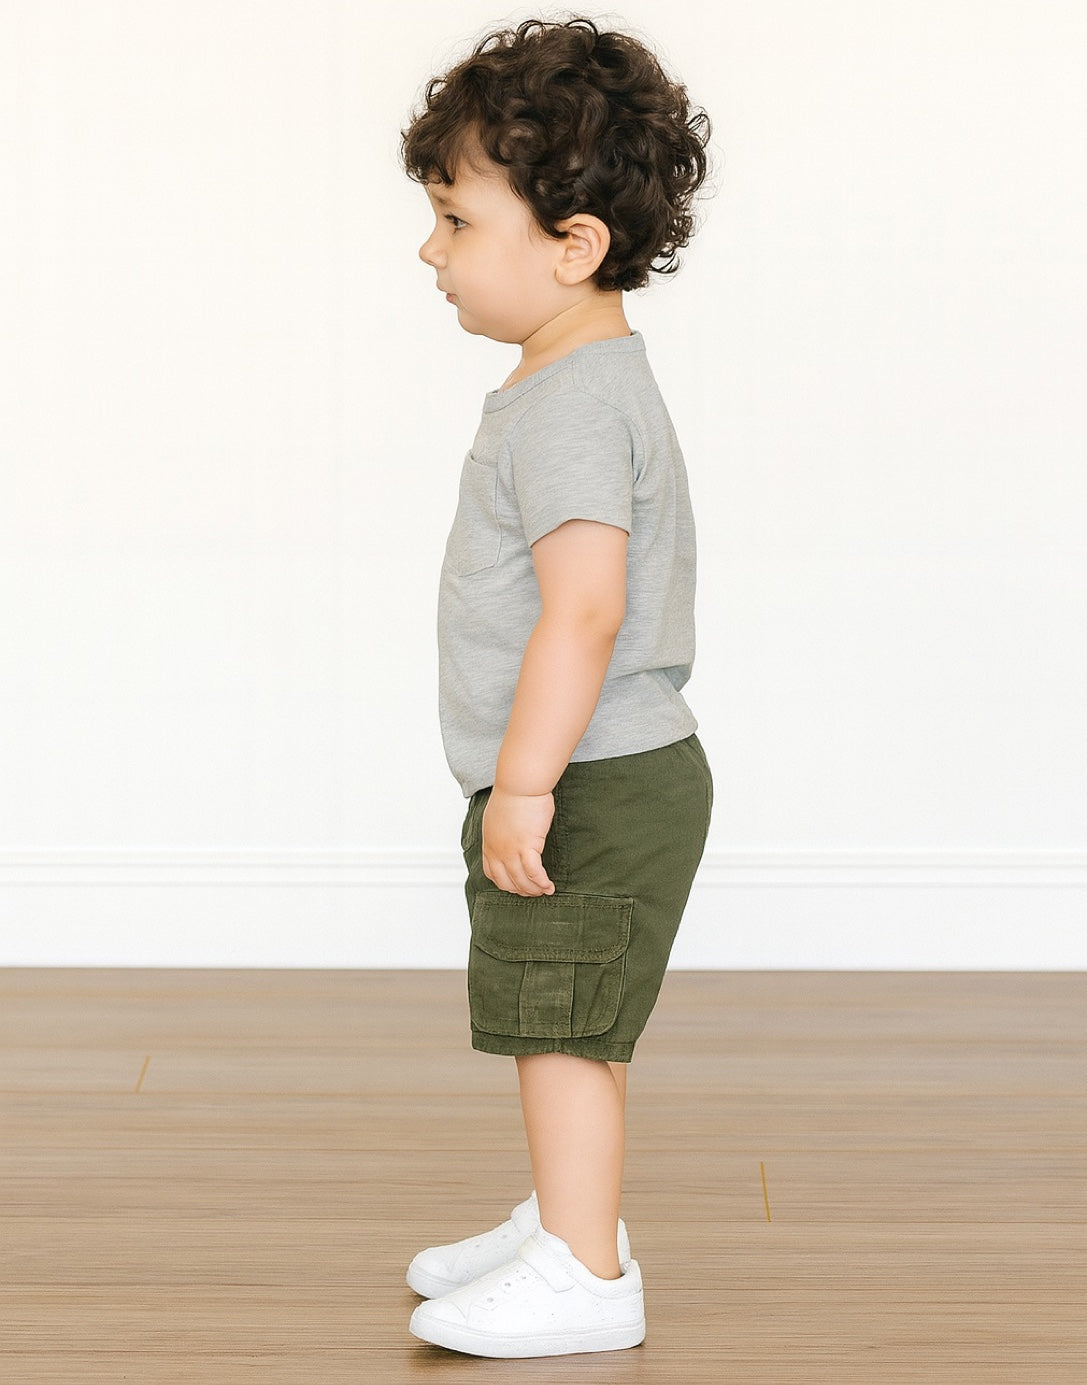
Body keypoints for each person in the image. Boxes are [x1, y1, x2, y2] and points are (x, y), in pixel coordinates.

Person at [399, 15, 714, 1359]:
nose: (432, 252)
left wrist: (523, 780)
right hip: (583, 774)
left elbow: (584, 609)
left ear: (572, 243)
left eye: (458, 222)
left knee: (565, 1031)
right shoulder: (563, 381)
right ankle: (567, 1216)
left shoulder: (578, 403)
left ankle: (587, 1273)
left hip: (589, 776)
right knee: (558, 1020)